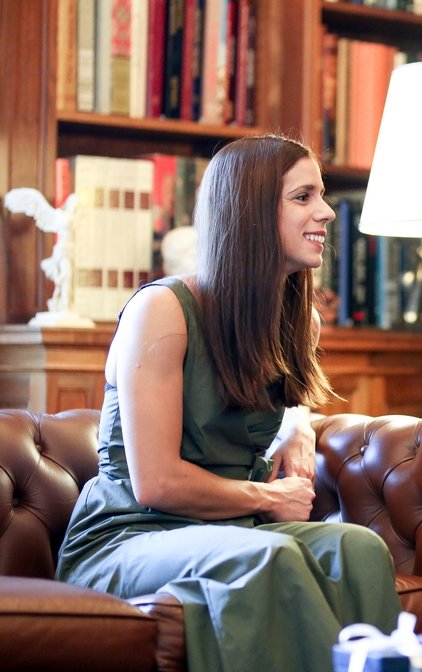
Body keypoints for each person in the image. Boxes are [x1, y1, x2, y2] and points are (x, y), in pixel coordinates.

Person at [56, 134, 402, 672]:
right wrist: (265, 498)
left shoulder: (298, 322)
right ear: (251, 211)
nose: (327, 213)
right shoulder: (162, 310)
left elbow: (269, 402)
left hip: (228, 533)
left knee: (357, 549)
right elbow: (156, 484)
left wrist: (298, 423)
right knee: (268, 554)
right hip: (129, 536)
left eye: (322, 195)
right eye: (303, 197)